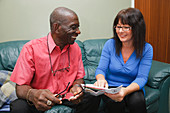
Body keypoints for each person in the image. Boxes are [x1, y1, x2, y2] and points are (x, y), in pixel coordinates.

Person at [10, 7, 100, 113]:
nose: (78, 32)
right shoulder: (31, 49)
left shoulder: (76, 48)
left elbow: (79, 78)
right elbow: (20, 88)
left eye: (78, 27)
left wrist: (77, 86)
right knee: (18, 107)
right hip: (41, 100)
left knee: (93, 98)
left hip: (68, 97)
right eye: (73, 27)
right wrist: (33, 94)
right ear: (56, 27)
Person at [94, 8, 153, 113]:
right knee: (115, 103)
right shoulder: (110, 44)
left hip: (132, 87)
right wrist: (101, 79)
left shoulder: (147, 49)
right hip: (111, 86)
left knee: (137, 102)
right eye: (118, 27)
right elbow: (100, 69)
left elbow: (142, 78)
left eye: (126, 27)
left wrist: (125, 91)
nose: (120, 31)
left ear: (137, 29)